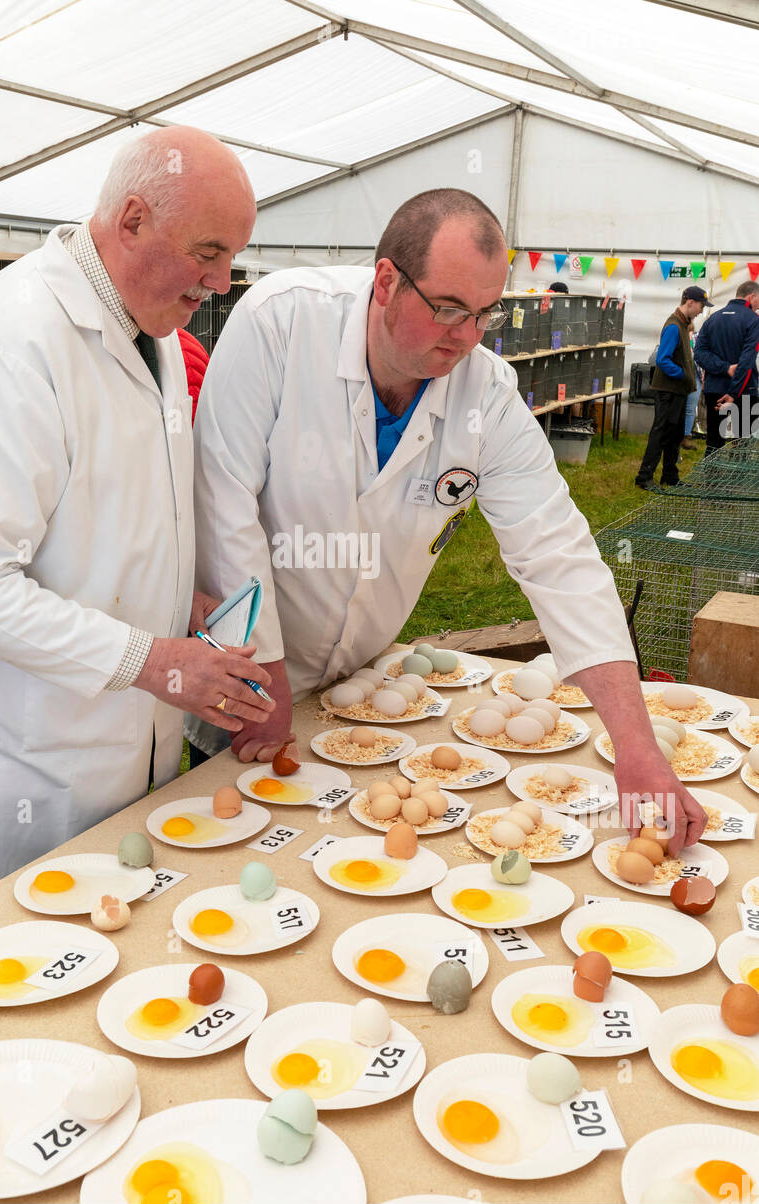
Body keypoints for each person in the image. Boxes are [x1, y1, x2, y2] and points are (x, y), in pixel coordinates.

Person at [189, 188, 705, 854]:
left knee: (347, 858)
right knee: (231, 847)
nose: (466, 338)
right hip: (245, 669)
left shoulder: (485, 391)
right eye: (448, 309)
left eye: (486, 313)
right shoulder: (279, 324)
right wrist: (268, 670)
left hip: (356, 680)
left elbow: (559, 557)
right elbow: (223, 503)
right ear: (385, 283)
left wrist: (636, 747)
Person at [0, 126, 275, 921]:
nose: (222, 278)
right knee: (3, 1019)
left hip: (125, 766)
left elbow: (122, 521)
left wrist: (183, 610)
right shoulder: (10, 346)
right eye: (209, 251)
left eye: (232, 254)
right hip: (17, 778)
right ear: (132, 218)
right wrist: (156, 661)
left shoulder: (155, 334)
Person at [634, 286, 708, 490]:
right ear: (690, 303)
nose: (702, 310)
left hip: (678, 391)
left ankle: (670, 476)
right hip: (668, 391)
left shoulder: (684, 324)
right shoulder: (674, 326)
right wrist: (683, 374)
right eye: (701, 305)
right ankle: (644, 477)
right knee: (660, 434)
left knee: (675, 435)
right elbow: (662, 360)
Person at [694, 280, 759, 453]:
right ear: (752, 296)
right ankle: (737, 480)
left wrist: (724, 367)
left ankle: (711, 480)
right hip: (744, 390)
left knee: (713, 441)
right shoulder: (754, 320)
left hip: (714, 388)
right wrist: (733, 392)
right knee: (744, 442)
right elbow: (746, 361)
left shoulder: (713, 318)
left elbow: (699, 354)